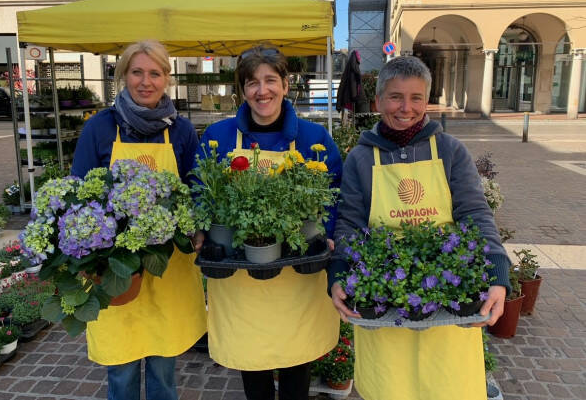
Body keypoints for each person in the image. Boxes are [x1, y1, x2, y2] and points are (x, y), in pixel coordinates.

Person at [328, 56, 511, 400]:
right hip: (382, 297)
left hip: (447, 295)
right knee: (388, 389)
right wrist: (338, 274)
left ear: (426, 100)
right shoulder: (361, 158)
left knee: (446, 387)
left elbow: (475, 213)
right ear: (379, 100)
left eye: (416, 97)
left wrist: (497, 273)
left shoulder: (449, 150)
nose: (405, 107)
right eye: (395, 97)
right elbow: (349, 223)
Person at [197, 45, 343, 400]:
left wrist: (328, 233)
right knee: (252, 357)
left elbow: (336, 191)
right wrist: (200, 228)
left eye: (270, 80)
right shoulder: (217, 137)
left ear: (286, 84)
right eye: (252, 83)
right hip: (241, 272)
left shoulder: (314, 138)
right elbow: (199, 189)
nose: (262, 91)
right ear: (242, 90)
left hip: (298, 274)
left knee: (297, 357)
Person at [71, 40, 207, 400]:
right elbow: (77, 193)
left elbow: (197, 191)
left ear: (166, 79)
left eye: (155, 73)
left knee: (164, 371)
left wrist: (197, 229)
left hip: (168, 267)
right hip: (116, 268)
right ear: (123, 76)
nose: (145, 82)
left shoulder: (181, 131)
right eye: (137, 72)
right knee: (122, 370)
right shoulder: (100, 128)